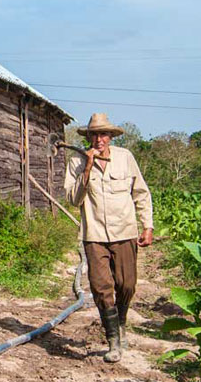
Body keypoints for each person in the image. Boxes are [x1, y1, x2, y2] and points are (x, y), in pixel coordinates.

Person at [64, 113, 153, 364]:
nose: (98, 139)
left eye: (103, 134)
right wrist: (87, 169)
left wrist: (148, 226)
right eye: (94, 134)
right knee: (101, 287)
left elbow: (141, 193)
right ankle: (113, 339)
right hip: (94, 234)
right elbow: (72, 199)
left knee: (126, 284)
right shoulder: (77, 161)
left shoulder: (125, 158)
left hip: (125, 231)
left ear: (111, 137)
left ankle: (121, 320)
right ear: (88, 137)